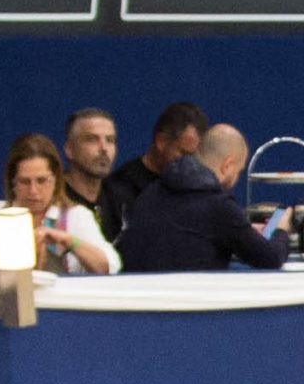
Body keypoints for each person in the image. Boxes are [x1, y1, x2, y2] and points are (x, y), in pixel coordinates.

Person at [121, 123, 288, 273]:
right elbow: (270, 258)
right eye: (238, 171)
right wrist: (280, 229)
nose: (236, 178)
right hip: (190, 302)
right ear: (227, 165)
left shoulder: (151, 191)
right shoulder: (219, 206)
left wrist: (244, 229)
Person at [0, 132, 119, 274]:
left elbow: (108, 268)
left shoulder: (76, 216)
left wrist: (68, 240)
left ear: (56, 179)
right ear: (12, 182)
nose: (33, 191)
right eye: (25, 182)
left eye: (41, 180)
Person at [102, 102, 208, 238]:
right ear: (161, 141)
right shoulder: (118, 188)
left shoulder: (196, 190)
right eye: (184, 154)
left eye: (195, 157)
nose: (191, 164)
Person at [59, 107, 124, 244]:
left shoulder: (122, 199)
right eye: (92, 139)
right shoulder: (52, 198)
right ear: (69, 149)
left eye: (110, 140)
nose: (104, 148)